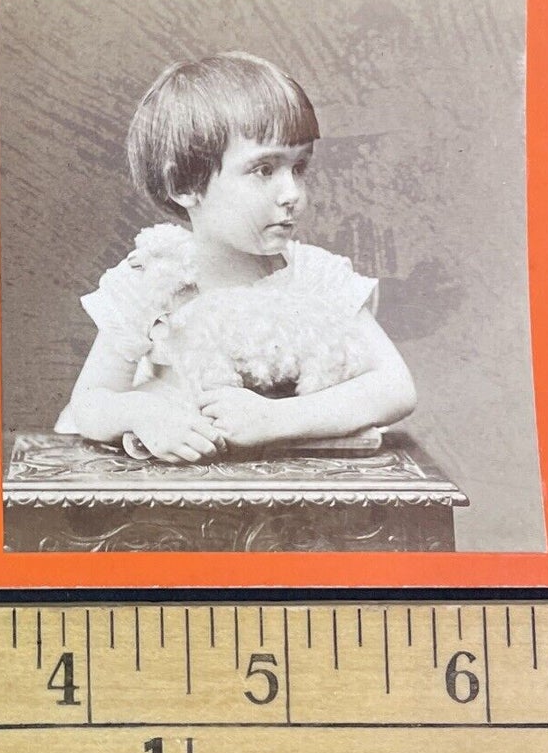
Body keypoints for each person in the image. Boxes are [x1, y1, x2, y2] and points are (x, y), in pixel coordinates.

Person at [59, 52, 415, 462]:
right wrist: (142, 412)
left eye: (299, 168)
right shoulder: (153, 280)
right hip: (173, 497)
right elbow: (89, 403)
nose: (292, 194)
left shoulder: (316, 277)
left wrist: (276, 419)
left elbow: (396, 387)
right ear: (184, 184)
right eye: (264, 170)